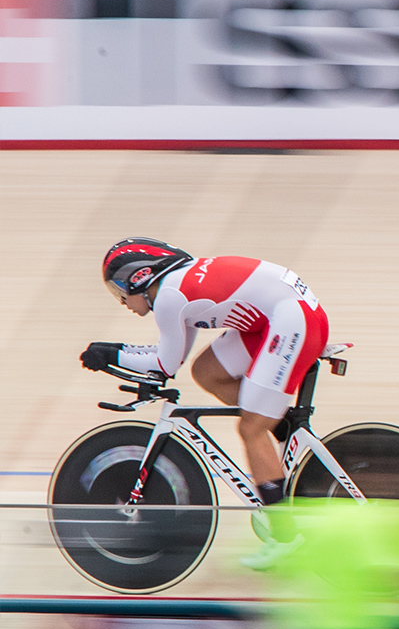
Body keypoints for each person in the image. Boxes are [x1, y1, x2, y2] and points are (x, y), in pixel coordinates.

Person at [85, 238, 329, 570]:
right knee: (207, 371)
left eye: (118, 291)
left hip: (292, 321)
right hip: (277, 316)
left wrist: (109, 353)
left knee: (250, 429)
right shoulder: (174, 287)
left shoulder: (170, 296)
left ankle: (287, 536)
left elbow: (165, 364)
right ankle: (277, 426)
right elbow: (179, 362)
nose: (121, 301)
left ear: (139, 278)